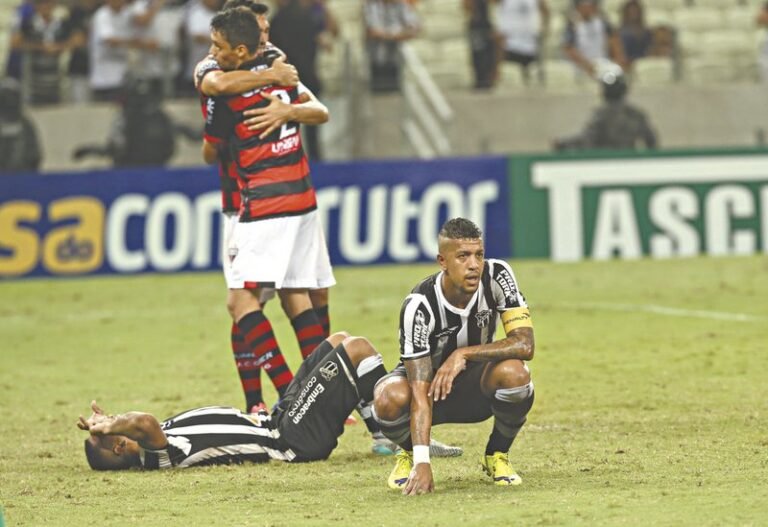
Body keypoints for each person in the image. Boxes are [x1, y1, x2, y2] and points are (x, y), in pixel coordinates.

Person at [373, 217, 535, 494]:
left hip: (475, 385)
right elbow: (419, 390)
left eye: (479, 255)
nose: (474, 264)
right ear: (442, 261)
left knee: (516, 375)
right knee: (387, 399)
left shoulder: (497, 275)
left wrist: (464, 353)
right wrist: (424, 462)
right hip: (425, 391)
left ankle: (497, 454)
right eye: (463, 256)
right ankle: (411, 454)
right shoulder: (419, 306)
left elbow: (525, 345)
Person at [78, 332, 389, 470]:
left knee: (338, 340)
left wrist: (108, 425)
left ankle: (380, 433)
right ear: (119, 446)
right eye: (115, 431)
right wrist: (110, 426)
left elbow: (140, 424)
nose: (115, 419)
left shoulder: (155, 441)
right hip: (289, 440)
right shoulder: (154, 457)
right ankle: (394, 433)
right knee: (358, 349)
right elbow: (142, 421)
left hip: (277, 420)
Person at [553, 65, 657, 151]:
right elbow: (651, 141)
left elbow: (587, 140)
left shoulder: (601, 114)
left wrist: (563, 144)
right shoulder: (636, 114)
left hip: (604, 164)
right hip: (628, 163)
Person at [10, 0, 78, 105]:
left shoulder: (60, 23)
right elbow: (15, 44)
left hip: (56, 81)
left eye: (48, 3)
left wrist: (58, 47)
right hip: (33, 82)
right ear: (36, 6)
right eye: (42, 4)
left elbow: (76, 41)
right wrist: (40, 47)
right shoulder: (29, 23)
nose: (45, 7)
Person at [363, 0, 420, 93]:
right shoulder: (372, 5)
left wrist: (389, 35)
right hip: (377, 58)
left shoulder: (402, 5)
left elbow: (413, 29)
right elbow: (373, 31)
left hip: (397, 56)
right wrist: (396, 35)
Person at [562, 0, 626, 78]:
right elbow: (569, 48)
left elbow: (614, 42)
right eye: (584, 5)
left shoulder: (603, 23)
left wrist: (619, 59)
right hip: (581, 66)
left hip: (602, 63)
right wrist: (586, 65)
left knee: (617, 73)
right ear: (578, 7)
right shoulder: (572, 26)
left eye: (590, 5)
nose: (588, 8)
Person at [496, 0, 549, 83]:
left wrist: (544, 28)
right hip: (509, 37)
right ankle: (496, 75)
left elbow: (545, 10)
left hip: (529, 37)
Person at [0, 77, 43, 172]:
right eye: (5, 96)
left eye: (11, 96)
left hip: (23, 177)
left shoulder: (26, 125)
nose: (9, 100)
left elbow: (35, 155)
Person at [618, 0, 651, 68]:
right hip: (627, 63)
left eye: (635, 11)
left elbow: (649, 49)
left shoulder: (647, 32)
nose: (634, 13)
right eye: (631, 11)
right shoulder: (621, 33)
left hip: (645, 63)